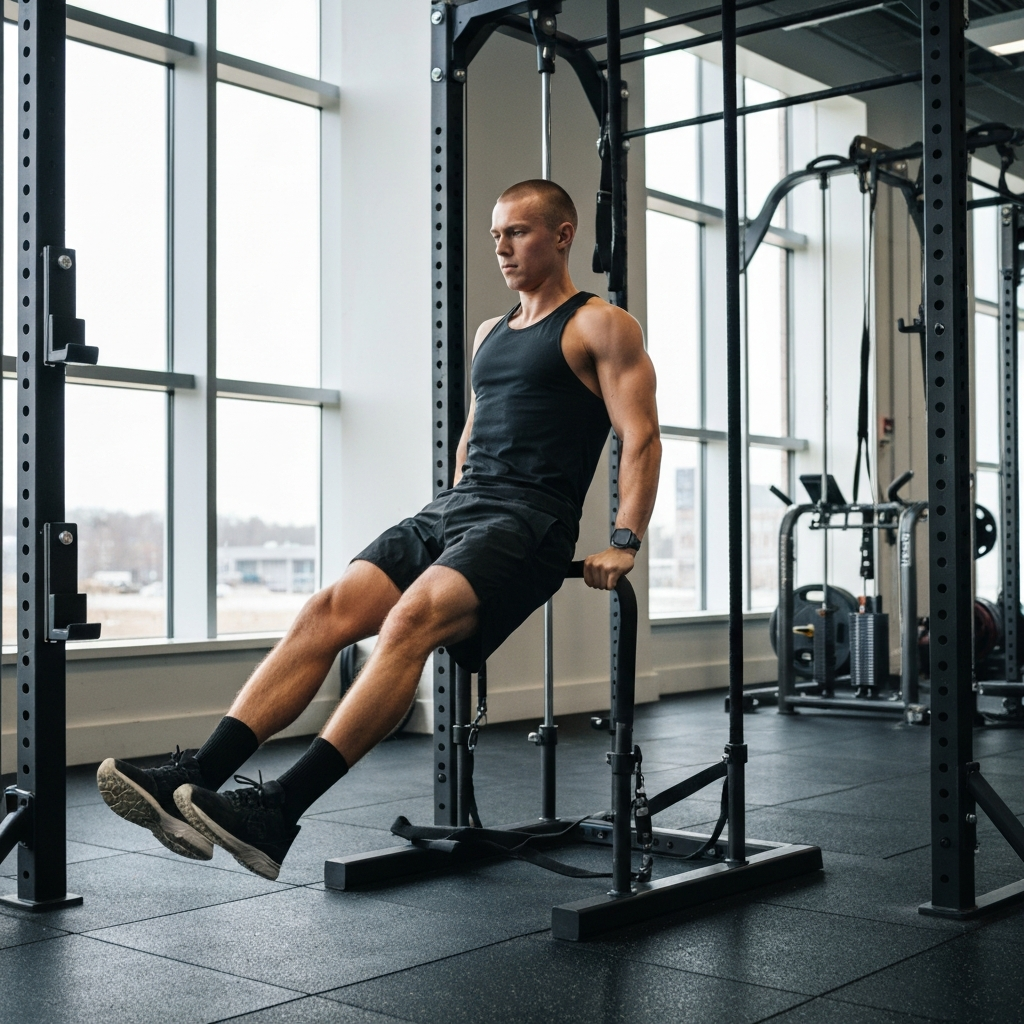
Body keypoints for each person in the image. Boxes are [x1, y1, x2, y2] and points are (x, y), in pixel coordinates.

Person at [96, 179, 661, 881]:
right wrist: (453, 505)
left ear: (563, 234)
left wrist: (624, 539)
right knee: (326, 611)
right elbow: (474, 435)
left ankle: (279, 810)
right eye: (495, 236)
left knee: (409, 623)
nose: (503, 249)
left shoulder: (602, 324)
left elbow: (641, 438)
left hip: (530, 520)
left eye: (517, 233)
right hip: (458, 509)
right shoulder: (490, 333)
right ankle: (193, 776)